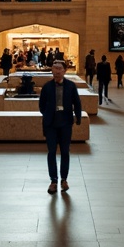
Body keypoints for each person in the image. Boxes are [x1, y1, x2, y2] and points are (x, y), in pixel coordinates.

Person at [38, 60, 83, 193]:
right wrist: (48, 115)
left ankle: (64, 179)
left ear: (64, 71)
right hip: (51, 124)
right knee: (51, 152)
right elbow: (41, 105)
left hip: (66, 123)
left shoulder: (71, 86)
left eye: (59, 69)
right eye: (54, 68)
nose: (57, 71)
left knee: (65, 152)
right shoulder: (47, 86)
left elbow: (77, 102)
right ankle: (53, 180)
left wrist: (78, 117)